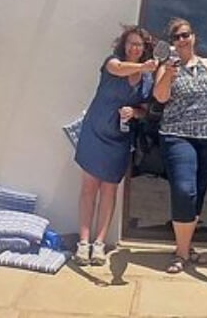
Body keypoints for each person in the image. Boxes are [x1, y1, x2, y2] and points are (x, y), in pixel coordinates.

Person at [72, 26, 157, 265]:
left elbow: (146, 108)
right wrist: (143, 66)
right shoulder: (113, 62)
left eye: (139, 45)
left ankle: (99, 244)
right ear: (123, 45)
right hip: (95, 132)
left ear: (144, 48)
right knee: (89, 188)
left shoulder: (148, 78)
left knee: (109, 190)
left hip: (120, 138)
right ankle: (83, 242)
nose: (134, 48)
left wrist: (135, 112)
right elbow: (118, 70)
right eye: (130, 43)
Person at [153, 17, 207, 274]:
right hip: (177, 135)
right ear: (171, 43)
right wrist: (169, 75)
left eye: (186, 35)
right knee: (184, 190)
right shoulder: (166, 67)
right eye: (177, 37)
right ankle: (182, 254)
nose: (182, 40)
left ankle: (184, 247)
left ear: (194, 37)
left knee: (198, 195)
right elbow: (160, 97)